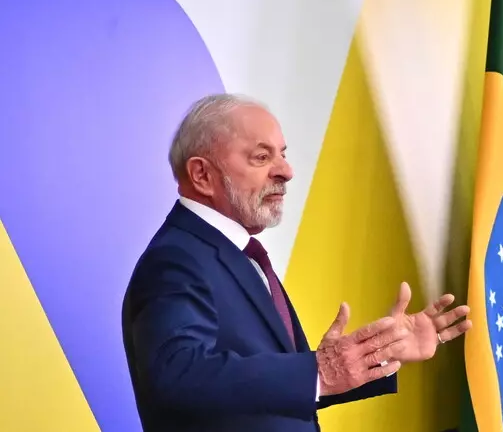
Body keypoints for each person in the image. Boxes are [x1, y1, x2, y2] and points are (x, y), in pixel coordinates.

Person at [121, 93, 472, 432]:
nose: (286, 171)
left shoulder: (239, 253)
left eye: (283, 155)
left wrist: (376, 354)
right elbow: (178, 376)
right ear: (202, 175)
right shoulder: (176, 259)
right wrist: (319, 371)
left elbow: (268, 399)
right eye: (261, 157)